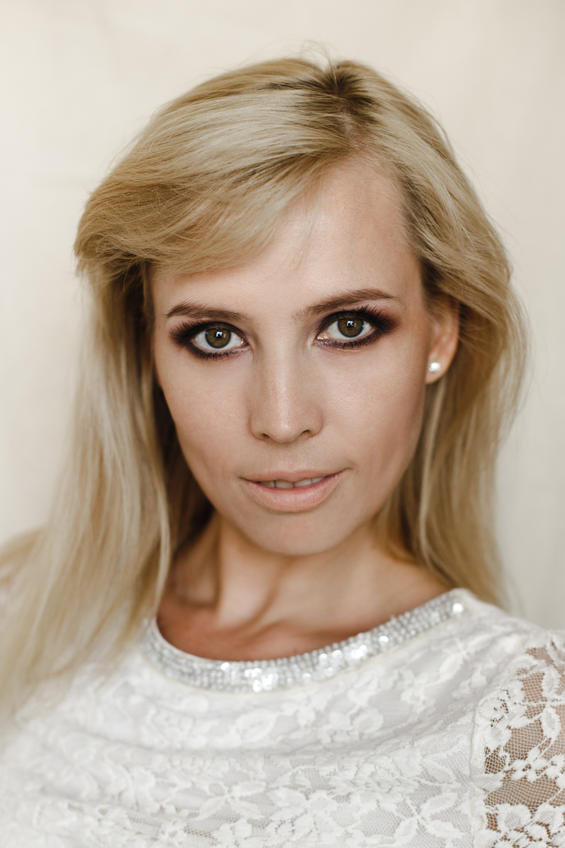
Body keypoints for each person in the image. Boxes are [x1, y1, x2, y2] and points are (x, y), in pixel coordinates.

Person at [1, 54, 564, 848]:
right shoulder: (23, 610)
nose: (281, 418)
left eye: (347, 326)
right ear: (145, 352)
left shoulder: (531, 721)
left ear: (440, 333)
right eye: (215, 336)